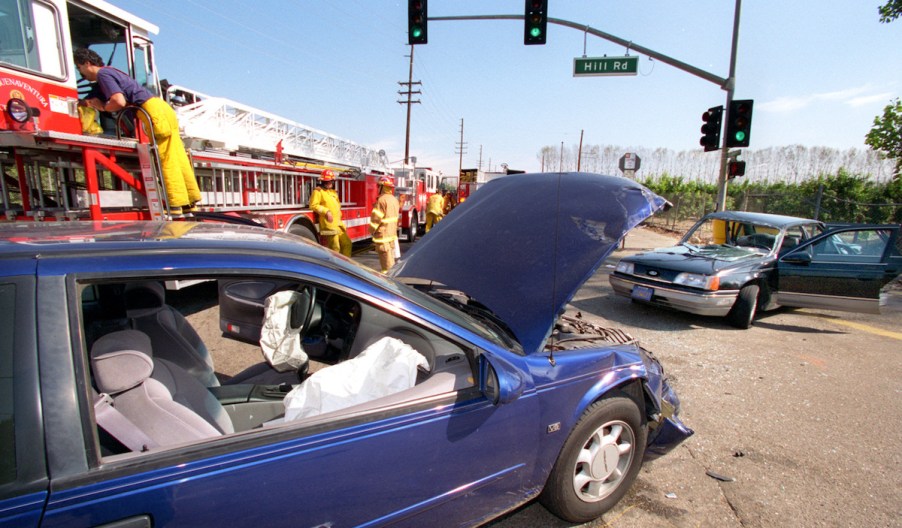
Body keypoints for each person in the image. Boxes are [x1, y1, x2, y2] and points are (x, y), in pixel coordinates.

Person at [74, 48, 201, 216]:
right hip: (163, 109)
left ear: (87, 64)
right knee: (178, 157)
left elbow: (118, 101)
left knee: (165, 158)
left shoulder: (103, 75)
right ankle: (190, 203)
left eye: (79, 68)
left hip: (152, 112)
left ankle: (175, 205)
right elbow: (91, 97)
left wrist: (102, 107)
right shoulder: (111, 74)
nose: (80, 73)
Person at [308, 169, 352, 256]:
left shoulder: (333, 192)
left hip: (338, 224)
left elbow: (337, 206)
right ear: (323, 181)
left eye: (331, 181)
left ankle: (346, 265)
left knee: (347, 244)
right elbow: (313, 205)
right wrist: (326, 212)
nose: (330, 183)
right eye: (327, 181)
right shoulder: (318, 191)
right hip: (330, 225)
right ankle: (335, 267)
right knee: (335, 248)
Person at [369, 175, 400, 273]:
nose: (378, 188)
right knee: (390, 260)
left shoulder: (382, 200)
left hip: (383, 236)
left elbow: (376, 218)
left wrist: (371, 230)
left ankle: (388, 283)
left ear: (382, 187)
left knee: (386, 266)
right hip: (391, 235)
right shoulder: (394, 200)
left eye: (379, 186)